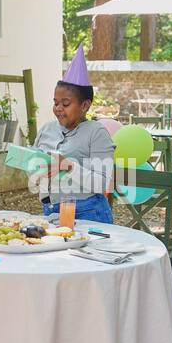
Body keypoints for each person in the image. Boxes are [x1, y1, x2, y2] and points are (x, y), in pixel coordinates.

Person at [32, 45, 114, 224]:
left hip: (89, 213)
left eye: (66, 103)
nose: (58, 108)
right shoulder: (47, 130)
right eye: (56, 102)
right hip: (51, 212)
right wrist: (33, 167)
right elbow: (34, 167)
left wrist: (70, 167)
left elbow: (103, 183)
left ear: (85, 105)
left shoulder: (97, 133)